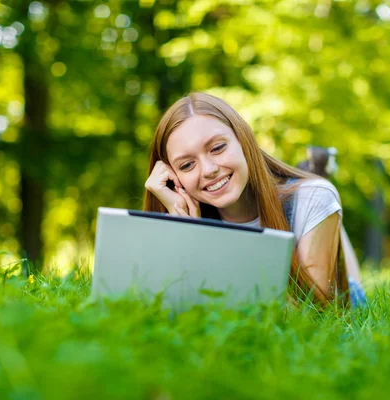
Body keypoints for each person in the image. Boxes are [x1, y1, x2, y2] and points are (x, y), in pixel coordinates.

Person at [143, 92, 365, 307]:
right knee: (320, 203)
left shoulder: (313, 198)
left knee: (321, 199)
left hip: (341, 293)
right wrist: (191, 232)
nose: (209, 170)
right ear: (175, 178)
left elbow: (315, 310)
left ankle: (318, 184)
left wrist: (321, 203)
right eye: (187, 165)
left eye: (217, 148)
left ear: (243, 140)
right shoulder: (183, 214)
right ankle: (316, 179)